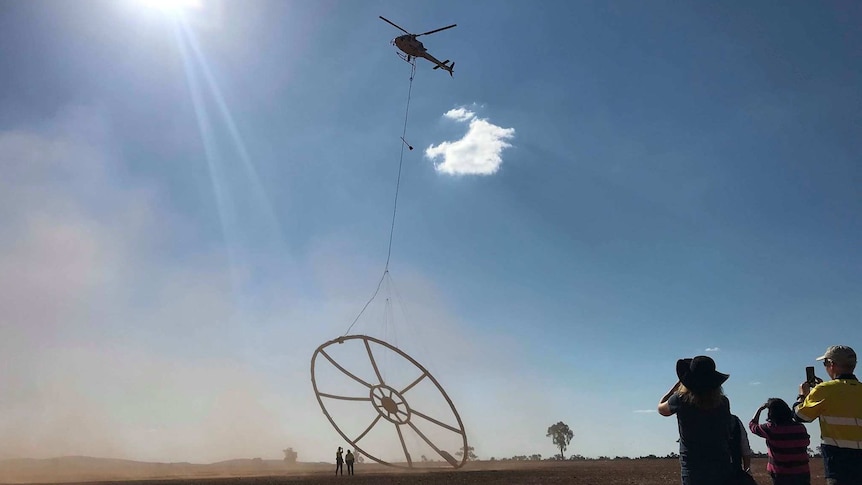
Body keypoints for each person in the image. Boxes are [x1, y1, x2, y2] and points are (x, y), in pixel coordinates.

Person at [658, 355, 734, 485]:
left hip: (693, 467)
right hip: (721, 464)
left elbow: (661, 409)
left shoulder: (680, 399)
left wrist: (677, 385)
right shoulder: (723, 402)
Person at [794, 345, 862, 485]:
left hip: (838, 465)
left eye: (825, 363)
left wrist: (803, 395)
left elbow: (800, 416)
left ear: (832, 364)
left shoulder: (824, 390)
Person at [750, 398, 811, 485]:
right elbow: (806, 441)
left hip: (780, 473)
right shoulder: (800, 427)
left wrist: (760, 409)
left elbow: (753, 426)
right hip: (801, 471)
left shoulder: (770, 429)